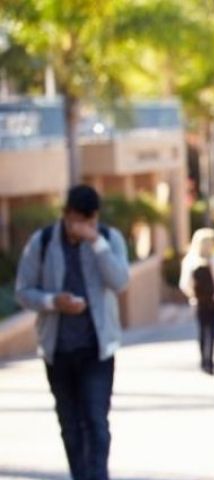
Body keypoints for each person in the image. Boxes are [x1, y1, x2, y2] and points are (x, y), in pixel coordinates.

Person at [15, 185, 130, 480]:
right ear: (66, 215)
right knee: (70, 425)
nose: (83, 227)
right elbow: (23, 291)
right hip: (59, 350)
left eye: (90, 221)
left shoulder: (108, 239)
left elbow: (119, 282)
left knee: (96, 421)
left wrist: (97, 244)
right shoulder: (41, 243)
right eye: (78, 221)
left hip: (97, 349)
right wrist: (53, 301)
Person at [179, 228, 214, 375]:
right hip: (209, 301)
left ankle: (206, 361)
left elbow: (185, 284)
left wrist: (194, 296)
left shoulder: (195, 261)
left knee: (204, 330)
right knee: (209, 331)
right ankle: (207, 361)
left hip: (203, 301)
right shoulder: (199, 261)